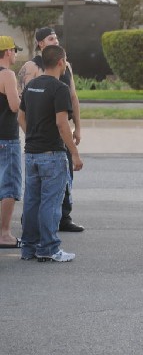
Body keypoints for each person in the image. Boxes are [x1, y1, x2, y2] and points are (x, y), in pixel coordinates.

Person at [18, 45, 83, 262]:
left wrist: (34, 135)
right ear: (60, 62)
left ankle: (28, 248)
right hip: (52, 154)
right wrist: (74, 153)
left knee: (32, 201)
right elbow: (62, 124)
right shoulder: (59, 88)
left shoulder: (31, 85)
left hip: (32, 153)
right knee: (51, 203)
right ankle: (49, 248)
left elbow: (21, 118)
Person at [0, 36, 23, 249]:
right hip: (7, 137)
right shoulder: (7, 74)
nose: (15, 54)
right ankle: (4, 234)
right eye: (15, 51)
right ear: (8, 52)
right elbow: (15, 106)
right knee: (9, 186)